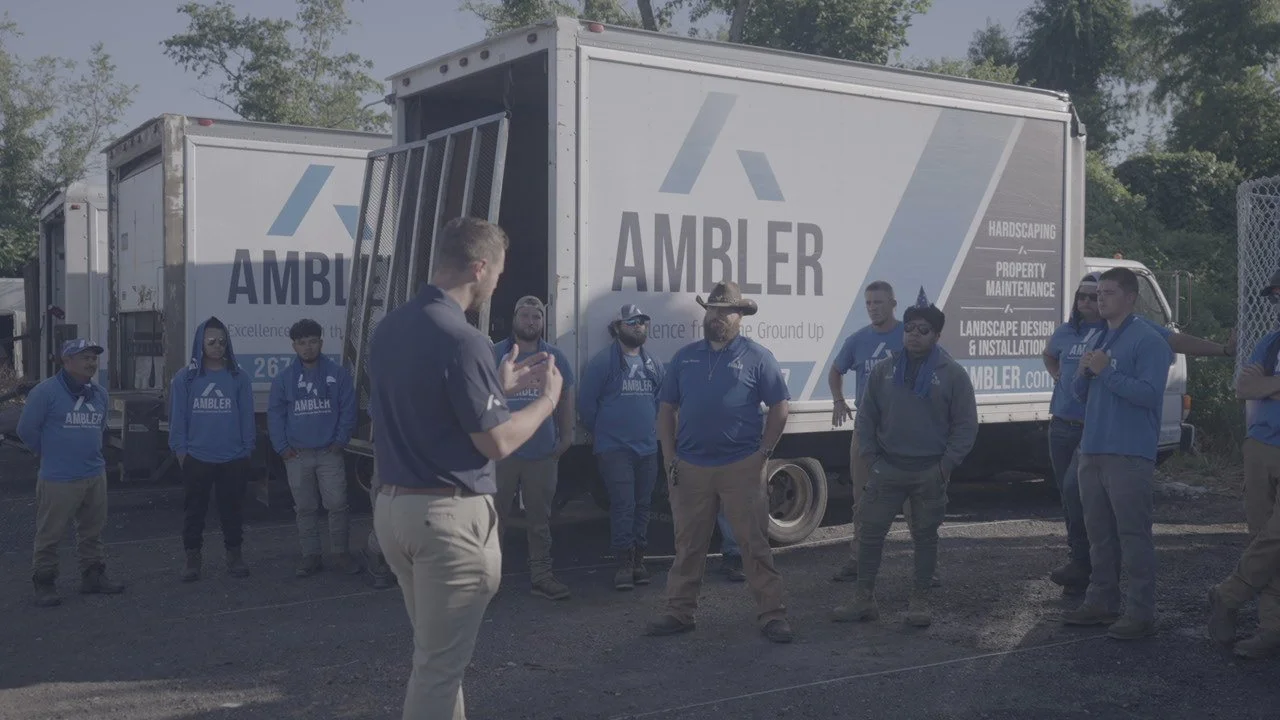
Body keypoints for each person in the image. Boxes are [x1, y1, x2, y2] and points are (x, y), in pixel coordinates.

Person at [368, 216, 562, 720]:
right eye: (497, 272)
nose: (497, 282)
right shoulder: (464, 338)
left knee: (436, 659)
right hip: (445, 519)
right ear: (479, 268)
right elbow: (498, 442)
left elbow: (431, 403)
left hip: (394, 508)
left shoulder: (389, 328)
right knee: (438, 669)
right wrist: (546, 401)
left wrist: (495, 386)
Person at [1043, 272, 1237, 594]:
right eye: (1086, 295)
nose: (1093, 300)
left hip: (1113, 437)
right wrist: (1067, 377)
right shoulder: (1074, 333)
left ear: (1128, 298)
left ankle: (1133, 601)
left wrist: (1223, 350)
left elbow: (1171, 348)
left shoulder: (1136, 332)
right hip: (1070, 428)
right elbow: (1056, 361)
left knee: (1113, 517)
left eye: (1101, 293)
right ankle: (1086, 573)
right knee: (1076, 504)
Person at [646, 281, 795, 644]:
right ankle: (679, 612)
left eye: (726, 311)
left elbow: (780, 406)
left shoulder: (757, 356)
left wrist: (763, 453)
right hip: (690, 466)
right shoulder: (685, 357)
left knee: (753, 544)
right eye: (713, 309)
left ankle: (772, 614)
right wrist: (669, 456)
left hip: (741, 465)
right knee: (688, 545)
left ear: (740, 316)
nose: (718, 316)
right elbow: (666, 408)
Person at [832, 299, 977, 627]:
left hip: (929, 471)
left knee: (925, 537)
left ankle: (920, 601)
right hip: (887, 468)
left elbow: (966, 425)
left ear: (936, 336)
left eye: (923, 330)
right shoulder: (885, 370)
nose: (914, 335)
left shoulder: (952, 374)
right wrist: (872, 459)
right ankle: (863, 599)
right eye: (909, 328)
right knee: (870, 533)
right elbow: (866, 417)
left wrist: (945, 466)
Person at [1060, 267, 1172, 640]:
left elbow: (1149, 395)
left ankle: (1140, 612)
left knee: (1133, 534)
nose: (1099, 299)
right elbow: (1079, 395)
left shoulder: (1149, 341)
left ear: (1130, 297)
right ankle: (1101, 601)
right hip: (1092, 448)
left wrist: (1106, 372)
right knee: (1099, 534)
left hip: (1128, 452)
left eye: (1108, 292)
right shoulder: (1097, 336)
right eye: (1097, 293)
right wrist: (1083, 375)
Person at [1206, 269, 1280, 659]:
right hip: (1261, 446)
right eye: (1277, 296)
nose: (1279, 303)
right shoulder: (1271, 342)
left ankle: (1229, 594)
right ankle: (1272, 629)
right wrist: (1266, 386)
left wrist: (1268, 385)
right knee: (1263, 537)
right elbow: (1243, 388)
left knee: (1276, 537)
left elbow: (1257, 387)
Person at [19, 339, 124, 607]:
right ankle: (44, 582)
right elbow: (27, 430)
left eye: (93, 358)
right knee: (50, 533)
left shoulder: (99, 394)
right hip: (59, 478)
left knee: (92, 531)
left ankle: (93, 576)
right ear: (67, 361)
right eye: (84, 357)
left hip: (94, 474)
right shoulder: (46, 392)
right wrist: (51, 454)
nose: (91, 363)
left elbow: (99, 428)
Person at [492, 295, 576, 601]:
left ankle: (541, 576)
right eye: (525, 315)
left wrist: (566, 437)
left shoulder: (555, 357)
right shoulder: (494, 354)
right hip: (502, 453)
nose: (530, 322)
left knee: (539, 522)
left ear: (543, 321)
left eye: (536, 316)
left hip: (541, 452)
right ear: (514, 318)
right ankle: (488, 580)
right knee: (492, 519)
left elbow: (566, 395)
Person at [577, 303, 665, 590]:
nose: (638, 326)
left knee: (643, 505)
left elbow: (660, 401)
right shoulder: (602, 363)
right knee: (624, 505)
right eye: (631, 322)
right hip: (614, 450)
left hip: (647, 448)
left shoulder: (653, 364)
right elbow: (586, 406)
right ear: (617, 328)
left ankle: (639, 560)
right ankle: (624, 563)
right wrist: (606, 432)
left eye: (642, 322)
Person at [829, 280, 909, 583]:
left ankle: (926, 566)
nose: (873, 308)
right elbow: (836, 370)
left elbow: (937, 368)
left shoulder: (909, 336)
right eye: (869, 303)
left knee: (914, 500)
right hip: (866, 429)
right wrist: (838, 400)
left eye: (879, 302)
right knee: (862, 498)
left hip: (903, 429)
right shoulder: (857, 340)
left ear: (893, 304)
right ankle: (858, 559)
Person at [268, 319, 359, 577]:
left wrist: (340, 441)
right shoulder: (284, 379)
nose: (308, 347)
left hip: (329, 453)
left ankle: (341, 554)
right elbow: (276, 415)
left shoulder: (338, 375)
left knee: (337, 504)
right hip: (297, 455)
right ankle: (311, 556)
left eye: (312, 341)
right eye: (302, 343)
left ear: (321, 342)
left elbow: (348, 410)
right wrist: (282, 448)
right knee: (305, 507)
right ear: (294, 346)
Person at [170, 316, 256, 582]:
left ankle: (235, 556)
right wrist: (181, 451)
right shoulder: (185, 378)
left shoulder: (239, 377)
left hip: (233, 457)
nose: (217, 346)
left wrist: (247, 449)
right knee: (194, 512)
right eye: (211, 341)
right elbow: (178, 418)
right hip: (197, 458)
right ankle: (192, 559)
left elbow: (247, 416)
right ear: (200, 343)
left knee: (232, 510)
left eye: (222, 341)